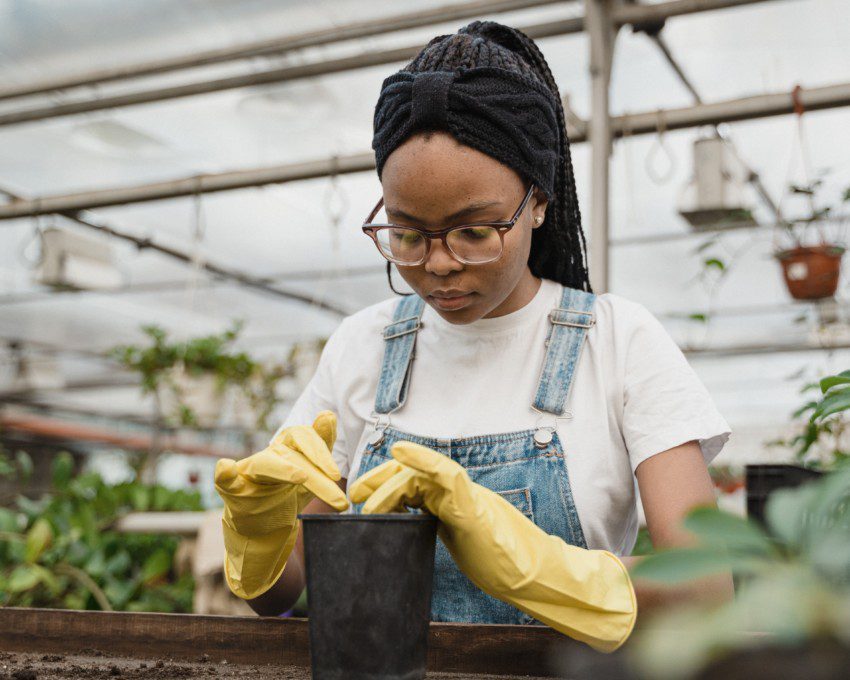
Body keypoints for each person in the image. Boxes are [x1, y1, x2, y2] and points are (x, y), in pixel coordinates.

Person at [214, 21, 733, 653]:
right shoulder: (363, 347)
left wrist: (534, 565)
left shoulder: (618, 342)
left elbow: (706, 586)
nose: (437, 264)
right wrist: (261, 532)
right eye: (407, 234)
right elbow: (280, 596)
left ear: (537, 201)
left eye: (474, 232)